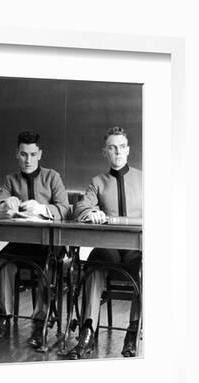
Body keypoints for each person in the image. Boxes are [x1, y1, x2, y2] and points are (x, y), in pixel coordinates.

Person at [0, 131, 70, 344]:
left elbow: (65, 209)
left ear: (40, 154)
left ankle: (39, 324)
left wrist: (43, 208)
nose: (28, 160)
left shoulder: (53, 177)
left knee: (47, 266)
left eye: (32, 154)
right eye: (23, 154)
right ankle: (4, 319)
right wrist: (6, 204)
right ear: (17, 154)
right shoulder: (11, 180)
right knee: (2, 262)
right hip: (21, 243)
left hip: (48, 245)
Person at [69, 126, 142, 359]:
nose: (118, 152)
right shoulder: (97, 182)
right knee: (94, 262)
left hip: (137, 251)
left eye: (121, 147)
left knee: (149, 267)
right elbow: (80, 206)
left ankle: (133, 331)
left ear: (128, 150)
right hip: (110, 250)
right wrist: (91, 211)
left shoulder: (146, 180)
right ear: (105, 153)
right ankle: (87, 332)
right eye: (112, 148)